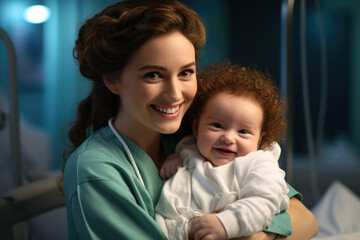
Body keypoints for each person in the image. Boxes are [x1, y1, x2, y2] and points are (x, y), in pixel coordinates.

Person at [58, 0, 318, 239]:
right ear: (112, 80)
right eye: (153, 75)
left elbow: (305, 219)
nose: (174, 94)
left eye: (185, 72)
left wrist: (256, 236)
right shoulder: (96, 172)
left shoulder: (198, 135)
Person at [156, 63, 290, 239]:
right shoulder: (189, 152)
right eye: (217, 126)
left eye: (243, 131)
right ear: (196, 128)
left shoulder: (258, 164)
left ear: (260, 139)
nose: (228, 138)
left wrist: (226, 223)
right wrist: (174, 158)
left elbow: (265, 201)